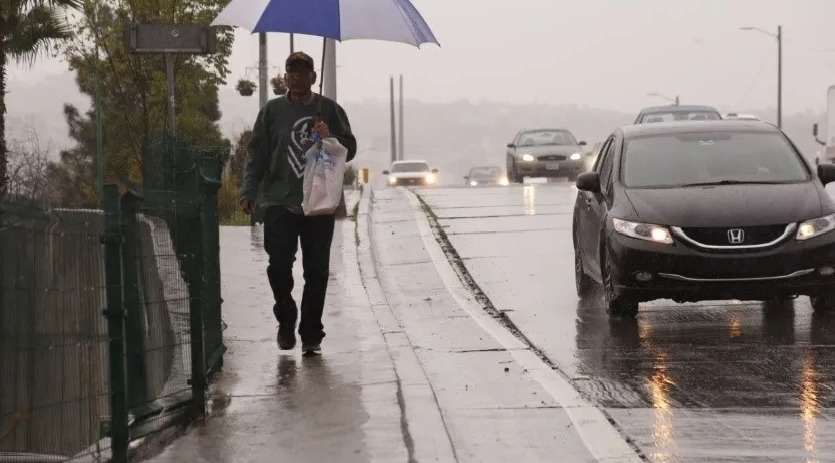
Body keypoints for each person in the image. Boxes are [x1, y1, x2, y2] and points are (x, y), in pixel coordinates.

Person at [239, 51, 357, 354]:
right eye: (291, 72)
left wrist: (329, 136)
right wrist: (249, 191)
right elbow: (257, 154)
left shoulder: (329, 110)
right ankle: (286, 317)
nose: (297, 77)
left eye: (303, 72)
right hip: (280, 201)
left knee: (316, 272)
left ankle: (311, 333)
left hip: (319, 202)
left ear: (313, 77)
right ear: (285, 77)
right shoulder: (272, 112)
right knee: (278, 265)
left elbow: (350, 149)